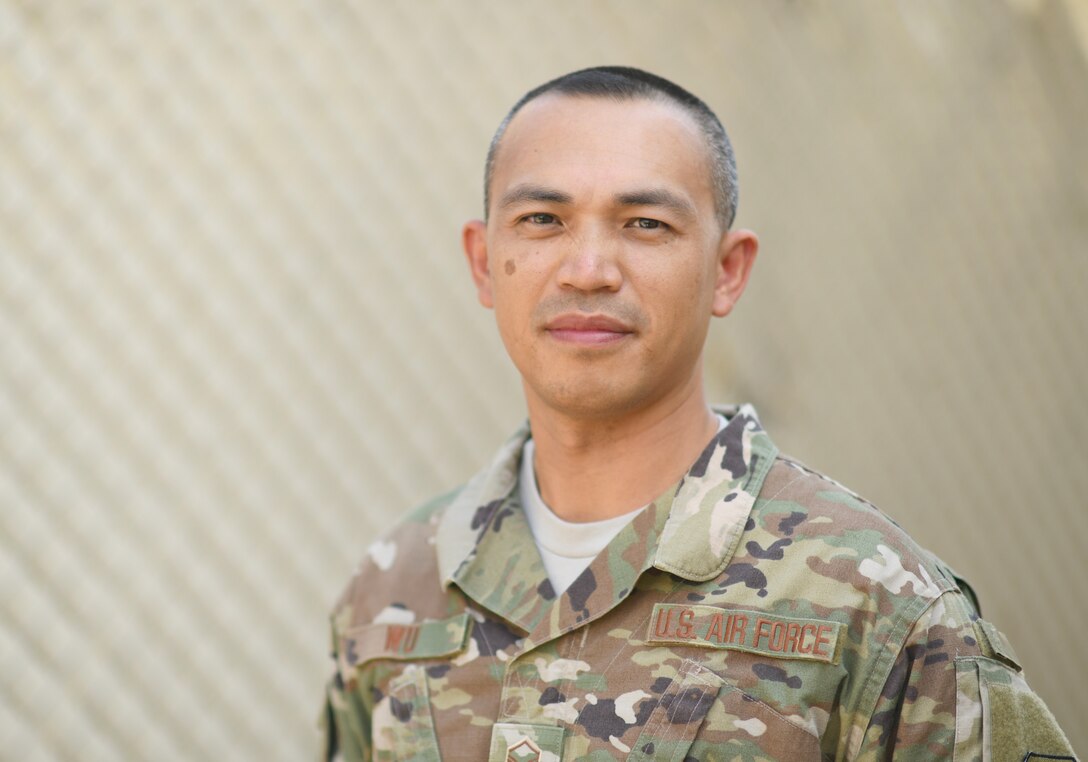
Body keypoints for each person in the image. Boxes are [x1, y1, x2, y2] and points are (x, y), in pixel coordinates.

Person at [321, 67, 1075, 761]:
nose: (588, 270)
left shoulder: (875, 605)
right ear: (484, 262)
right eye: (544, 220)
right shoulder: (393, 592)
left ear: (727, 270)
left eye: (646, 224)